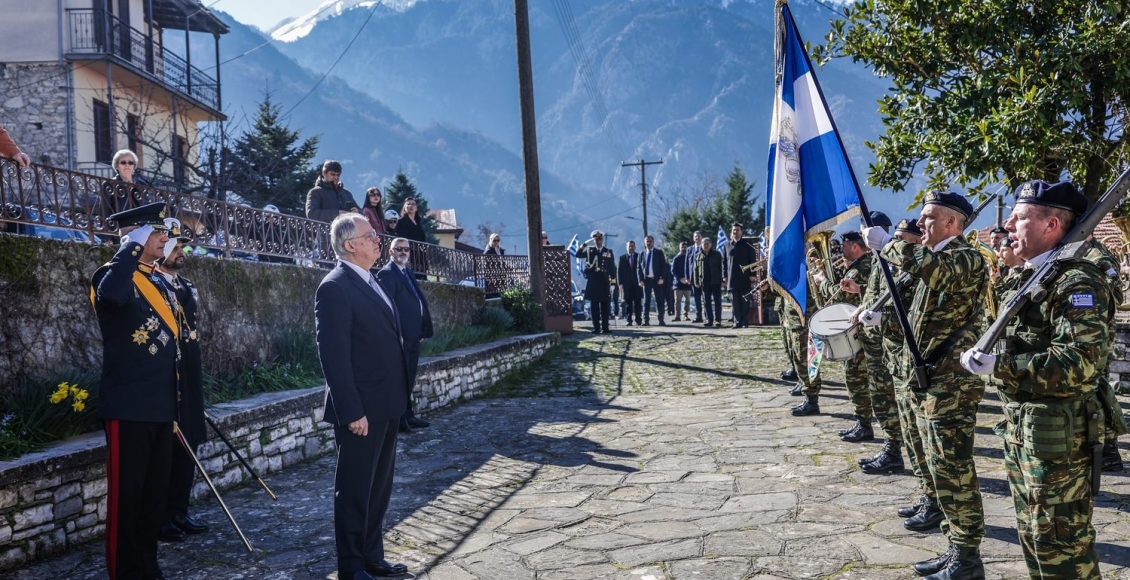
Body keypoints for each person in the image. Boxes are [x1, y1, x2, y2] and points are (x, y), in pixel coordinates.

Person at [961, 180, 1114, 579]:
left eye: (1020, 215)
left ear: (1051, 225)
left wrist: (1001, 366)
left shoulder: (1076, 283)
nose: (1008, 222)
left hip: (1060, 444)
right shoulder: (1032, 277)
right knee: (1035, 539)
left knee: (1062, 548)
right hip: (1026, 434)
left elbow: (1080, 362)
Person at [863, 190, 988, 580]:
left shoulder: (964, 258)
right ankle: (954, 545)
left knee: (953, 469)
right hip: (928, 379)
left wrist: (888, 245)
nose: (920, 225)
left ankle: (967, 556)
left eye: (929, 217)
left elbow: (934, 270)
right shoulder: (934, 258)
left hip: (952, 383)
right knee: (937, 464)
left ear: (952, 223)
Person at [315, 214, 410, 580]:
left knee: (378, 488)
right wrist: (351, 410)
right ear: (350, 244)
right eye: (370, 236)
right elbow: (333, 356)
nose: (377, 241)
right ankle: (351, 567)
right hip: (360, 410)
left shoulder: (371, 280)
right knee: (355, 491)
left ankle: (372, 557)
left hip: (385, 404)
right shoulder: (335, 287)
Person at [89, 202, 177, 580]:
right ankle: (125, 572)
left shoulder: (156, 280)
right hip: (129, 408)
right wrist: (129, 248)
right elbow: (112, 297)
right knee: (128, 499)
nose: (165, 238)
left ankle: (147, 567)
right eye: (156, 232)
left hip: (159, 407)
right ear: (137, 235)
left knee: (154, 499)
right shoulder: (112, 275)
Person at [154, 218, 209, 543]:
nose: (180, 252)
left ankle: (179, 511)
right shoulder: (152, 284)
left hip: (189, 375)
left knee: (189, 447)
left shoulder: (185, 285)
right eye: (173, 247)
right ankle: (161, 517)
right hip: (167, 378)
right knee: (167, 452)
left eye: (182, 246)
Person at [377, 237, 434, 434]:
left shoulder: (406, 271)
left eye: (406, 249)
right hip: (400, 338)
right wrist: (396, 334)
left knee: (409, 377)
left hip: (413, 336)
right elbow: (387, 308)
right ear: (390, 252)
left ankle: (408, 415)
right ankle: (400, 421)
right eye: (398, 249)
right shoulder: (386, 274)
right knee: (400, 380)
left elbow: (417, 301)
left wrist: (423, 328)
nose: (403, 252)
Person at [576, 230, 616, 333]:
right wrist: (585, 244)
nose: (598, 241)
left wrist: (613, 283)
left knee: (605, 306)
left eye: (600, 239)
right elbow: (578, 254)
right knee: (594, 307)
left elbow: (612, 268)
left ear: (602, 239)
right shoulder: (590, 251)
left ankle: (605, 327)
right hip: (593, 281)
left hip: (604, 281)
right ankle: (596, 328)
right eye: (596, 239)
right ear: (594, 240)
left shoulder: (608, 251)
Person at [726, 223, 757, 328]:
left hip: (745, 277)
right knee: (735, 302)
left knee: (745, 301)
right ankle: (737, 321)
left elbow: (753, 260)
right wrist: (724, 276)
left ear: (741, 232)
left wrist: (752, 274)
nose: (735, 232)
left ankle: (744, 321)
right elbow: (724, 262)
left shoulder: (747, 244)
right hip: (732, 278)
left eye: (737, 230)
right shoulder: (727, 245)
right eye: (734, 230)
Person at [101, 149, 148, 215]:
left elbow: (147, 207)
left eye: (130, 163)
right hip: (121, 223)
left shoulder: (142, 185)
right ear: (117, 166)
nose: (127, 165)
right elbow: (105, 210)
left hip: (141, 224)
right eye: (123, 162)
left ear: (134, 167)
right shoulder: (109, 184)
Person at [638, 234, 669, 326]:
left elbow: (664, 267)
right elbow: (639, 268)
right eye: (647, 241)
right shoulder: (642, 254)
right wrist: (640, 279)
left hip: (657, 280)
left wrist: (662, 278)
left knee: (659, 300)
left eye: (650, 241)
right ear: (644, 243)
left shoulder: (659, 253)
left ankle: (661, 320)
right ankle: (646, 320)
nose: (648, 243)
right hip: (646, 280)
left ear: (653, 242)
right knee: (646, 301)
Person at [396, 198, 428, 280]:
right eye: (408, 204)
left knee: (422, 277)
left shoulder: (418, 223)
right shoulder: (401, 221)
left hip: (420, 255)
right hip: (409, 253)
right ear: (404, 207)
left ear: (416, 208)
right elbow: (401, 238)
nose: (411, 206)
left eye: (413, 204)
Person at [696, 237, 723, 326]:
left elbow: (721, 267)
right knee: (706, 302)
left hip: (716, 281)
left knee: (717, 301)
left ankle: (718, 320)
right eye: (704, 244)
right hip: (704, 282)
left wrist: (723, 279)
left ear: (711, 245)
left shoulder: (717, 254)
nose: (706, 245)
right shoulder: (699, 255)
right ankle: (709, 320)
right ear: (701, 245)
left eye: (707, 243)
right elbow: (695, 270)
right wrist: (697, 281)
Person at [617, 240, 643, 326]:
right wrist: (620, 283)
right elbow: (619, 271)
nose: (631, 248)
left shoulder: (639, 256)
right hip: (626, 285)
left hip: (637, 284)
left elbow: (642, 270)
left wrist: (642, 280)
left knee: (638, 303)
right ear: (626, 247)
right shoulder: (622, 258)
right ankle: (629, 320)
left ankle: (638, 320)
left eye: (632, 246)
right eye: (629, 246)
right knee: (628, 303)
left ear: (635, 247)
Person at [671, 242, 693, 321]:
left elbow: (692, 269)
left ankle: (686, 315)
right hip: (678, 283)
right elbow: (673, 271)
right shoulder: (676, 258)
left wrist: (688, 278)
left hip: (688, 282)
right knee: (677, 301)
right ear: (679, 248)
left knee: (687, 300)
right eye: (682, 247)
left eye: (685, 247)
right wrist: (680, 278)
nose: (684, 248)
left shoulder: (690, 257)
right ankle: (677, 316)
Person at [688, 231, 705, 322]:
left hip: (703, 277)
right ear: (693, 238)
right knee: (697, 298)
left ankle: (707, 316)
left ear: (701, 237)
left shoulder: (705, 248)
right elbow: (687, 264)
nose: (697, 238)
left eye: (698, 236)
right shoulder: (690, 249)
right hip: (693, 278)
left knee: (705, 297)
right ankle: (699, 316)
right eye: (695, 236)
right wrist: (687, 276)